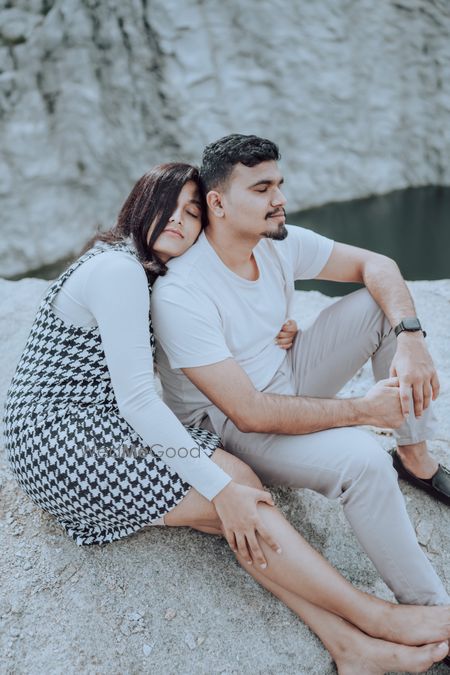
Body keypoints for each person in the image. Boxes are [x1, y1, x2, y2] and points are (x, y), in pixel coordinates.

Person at [4, 162, 450, 675]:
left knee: (238, 510)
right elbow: (138, 401)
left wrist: (281, 332)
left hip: (74, 431)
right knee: (237, 495)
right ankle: (377, 618)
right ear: (138, 206)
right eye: (166, 207)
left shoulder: (135, 268)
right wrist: (219, 487)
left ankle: (350, 648)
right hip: (65, 440)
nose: (178, 220)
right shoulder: (119, 271)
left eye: (192, 213)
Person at [151, 135, 450, 614]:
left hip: (287, 373)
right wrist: (365, 411)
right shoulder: (182, 293)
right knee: (363, 462)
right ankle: (431, 612)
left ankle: (414, 458)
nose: (280, 200)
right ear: (218, 203)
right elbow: (248, 412)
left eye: (279, 185)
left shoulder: (276, 243)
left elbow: (377, 264)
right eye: (262, 189)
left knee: (381, 308)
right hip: (228, 426)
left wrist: (412, 338)